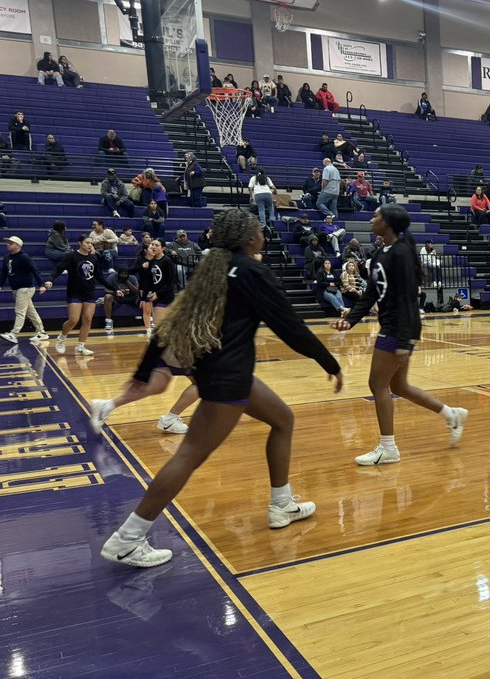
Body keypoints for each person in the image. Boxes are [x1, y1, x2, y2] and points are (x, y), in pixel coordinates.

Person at [99, 209, 343, 567]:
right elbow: (291, 327)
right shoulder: (253, 272)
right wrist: (330, 363)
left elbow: (175, 319)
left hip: (221, 371)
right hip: (227, 378)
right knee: (189, 455)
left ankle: (282, 504)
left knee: (283, 420)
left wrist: (145, 368)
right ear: (249, 238)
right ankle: (128, 538)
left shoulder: (214, 265)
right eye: (259, 230)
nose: (263, 234)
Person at [332, 204, 466, 466]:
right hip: (393, 324)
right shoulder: (382, 252)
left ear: (388, 224)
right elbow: (371, 292)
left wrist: (404, 340)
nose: (372, 220)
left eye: (377, 217)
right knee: (398, 386)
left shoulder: (402, 253)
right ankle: (452, 415)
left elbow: (407, 298)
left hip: (399, 326)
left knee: (377, 384)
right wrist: (352, 321)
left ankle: (388, 448)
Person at [41, 237, 101, 356]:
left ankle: (80, 346)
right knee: (73, 319)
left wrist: (115, 289)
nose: (90, 245)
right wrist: (50, 279)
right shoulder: (71, 256)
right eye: (87, 243)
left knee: (88, 319)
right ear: (80, 243)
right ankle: (62, 338)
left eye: (91, 243)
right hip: (75, 292)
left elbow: (100, 276)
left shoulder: (93, 258)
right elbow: (58, 268)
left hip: (89, 292)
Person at [0, 236, 48, 344]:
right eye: (8, 243)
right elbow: (4, 272)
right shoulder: (7, 257)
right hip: (16, 289)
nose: (8, 244)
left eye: (10, 243)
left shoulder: (24, 257)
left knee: (19, 311)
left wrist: (41, 284)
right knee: (31, 312)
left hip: (25, 288)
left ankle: (14, 333)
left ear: (18, 246)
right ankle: (42, 332)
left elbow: (35, 270)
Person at [138, 238, 176, 336]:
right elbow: (149, 282)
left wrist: (158, 294)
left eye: (157, 245)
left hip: (165, 296)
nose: (153, 247)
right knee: (158, 324)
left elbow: (171, 283)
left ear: (163, 248)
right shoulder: (152, 261)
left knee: (160, 326)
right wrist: (143, 298)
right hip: (156, 296)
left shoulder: (167, 261)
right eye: (152, 245)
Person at [101, 265, 139, 334]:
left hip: (131, 297)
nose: (124, 276)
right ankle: (108, 321)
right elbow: (106, 289)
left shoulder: (132, 277)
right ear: (118, 273)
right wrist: (116, 291)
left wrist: (127, 281)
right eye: (122, 274)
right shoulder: (112, 277)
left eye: (126, 274)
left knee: (145, 297)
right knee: (108, 297)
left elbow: (137, 291)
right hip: (117, 297)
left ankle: (149, 319)